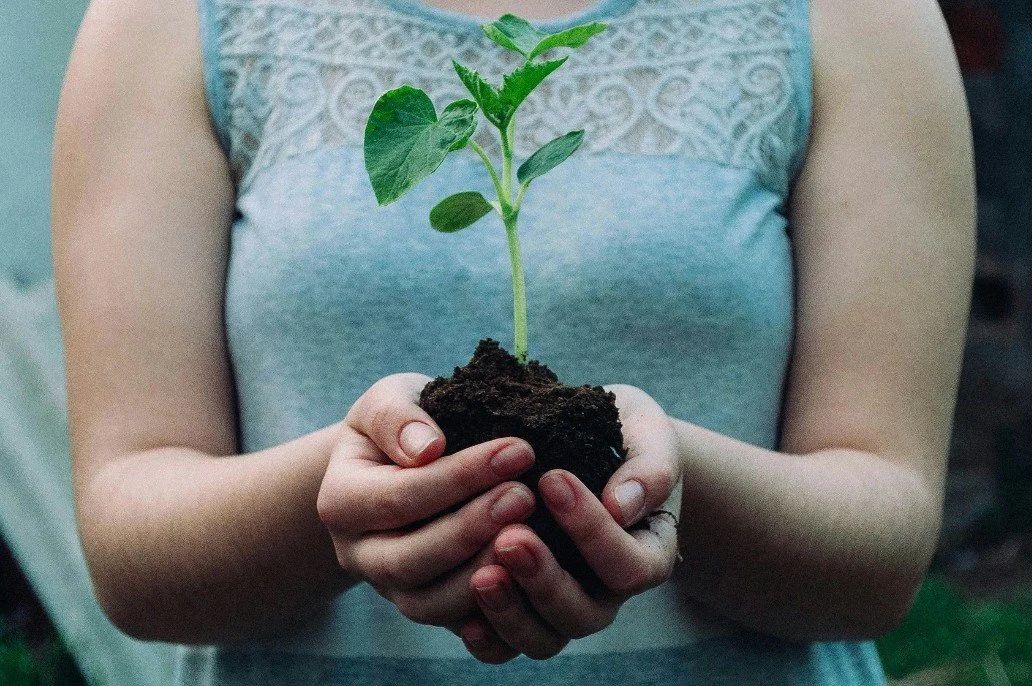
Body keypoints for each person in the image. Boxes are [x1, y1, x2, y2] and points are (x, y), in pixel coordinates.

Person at [50, 0, 974, 682]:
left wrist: (673, 478)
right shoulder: (168, 20)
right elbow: (132, 552)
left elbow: (881, 548)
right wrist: (339, 500)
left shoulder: (858, 19)